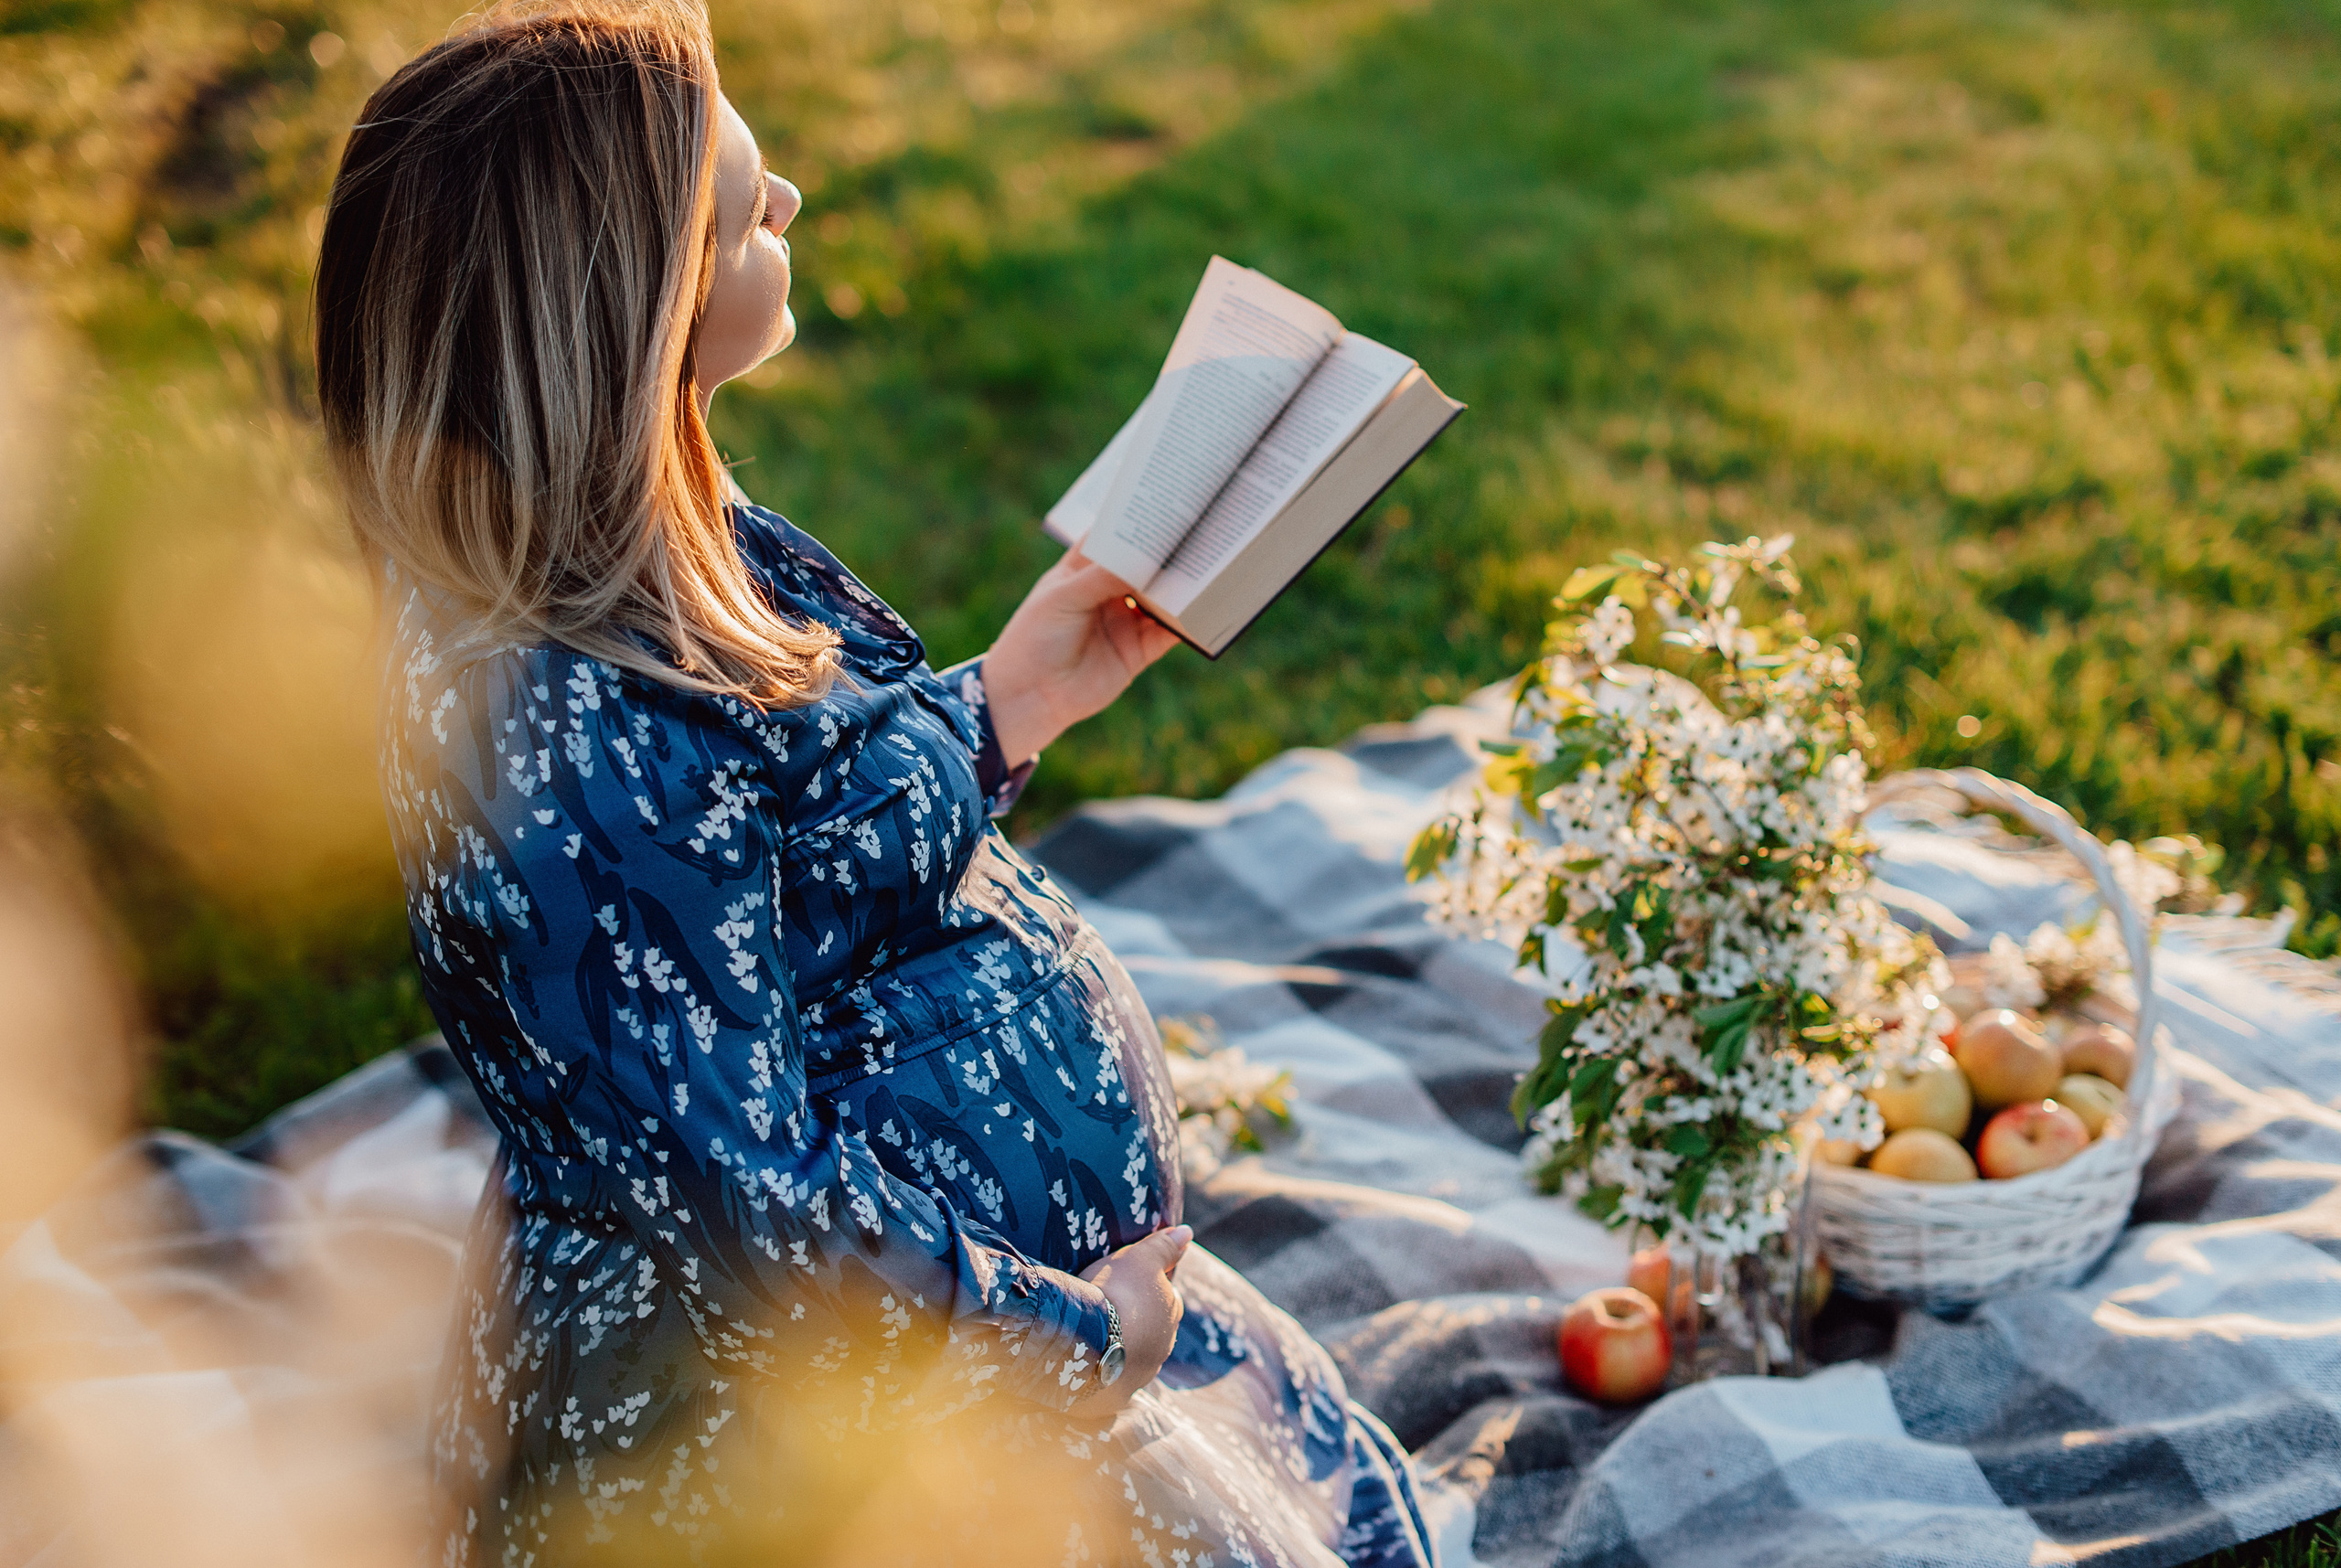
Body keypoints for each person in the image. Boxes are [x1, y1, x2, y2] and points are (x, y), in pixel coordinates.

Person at [312, 2, 1438, 1563]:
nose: (789, 207)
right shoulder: (558, 732)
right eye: (736, 212)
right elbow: (761, 1230)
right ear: (625, 308)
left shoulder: (664, 542)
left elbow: (802, 851)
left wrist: (1016, 693)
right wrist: (1077, 1336)